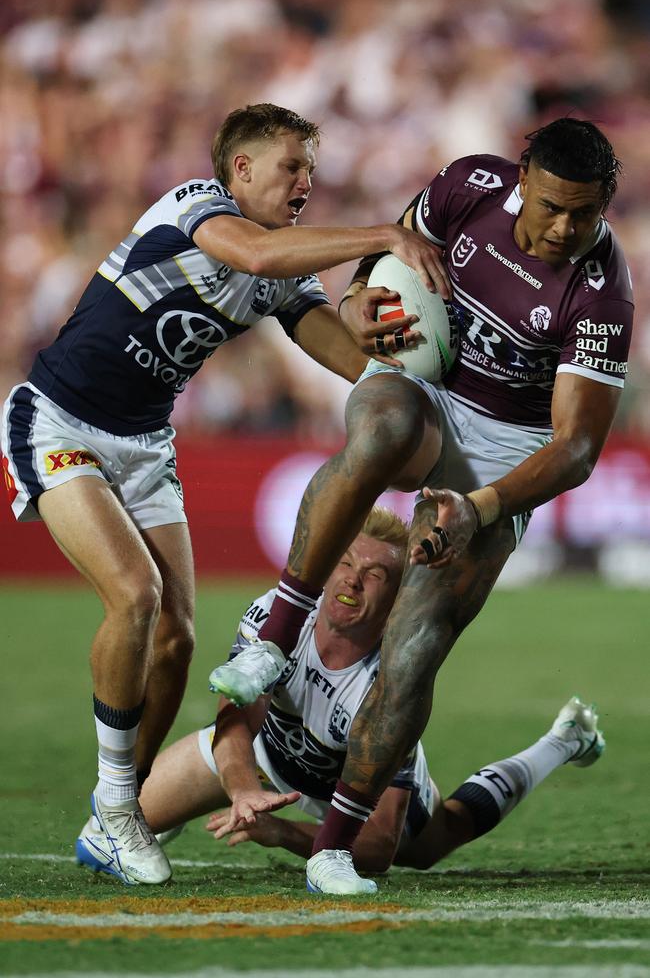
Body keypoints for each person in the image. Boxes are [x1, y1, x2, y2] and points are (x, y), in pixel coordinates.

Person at [0, 103, 444, 887]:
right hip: (59, 419)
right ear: (239, 170)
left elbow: (343, 356)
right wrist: (385, 235)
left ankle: (116, 816)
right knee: (135, 598)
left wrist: (397, 363)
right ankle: (116, 804)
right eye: (291, 167)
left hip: (143, 446)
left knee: (176, 638)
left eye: (311, 168)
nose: (306, 182)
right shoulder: (196, 209)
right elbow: (256, 258)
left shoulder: (285, 270)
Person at [208, 117, 633, 894]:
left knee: (413, 645)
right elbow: (391, 254)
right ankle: (274, 637)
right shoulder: (468, 185)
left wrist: (479, 506)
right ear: (519, 179)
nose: (565, 229)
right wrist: (360, 296)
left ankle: (335, 847)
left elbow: (574, 449)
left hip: (508, 446)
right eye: (550, 207)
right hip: (424, 382)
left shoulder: (602, 290)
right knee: (382, 431)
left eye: (586, 214)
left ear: (607, 204)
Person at [76, 507, 604, 887]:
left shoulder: (394, 680)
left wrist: (280, 832)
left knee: (438, 838)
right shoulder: (274, 617)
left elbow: (375, 849)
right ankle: (177, 817)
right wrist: (242, 791)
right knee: (101, 837)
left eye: (375, 575)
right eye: (346, 563)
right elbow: (235, 723)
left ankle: (562, 740)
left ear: (397, 598)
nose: (352, 581)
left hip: (349, 796)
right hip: (263, 761)